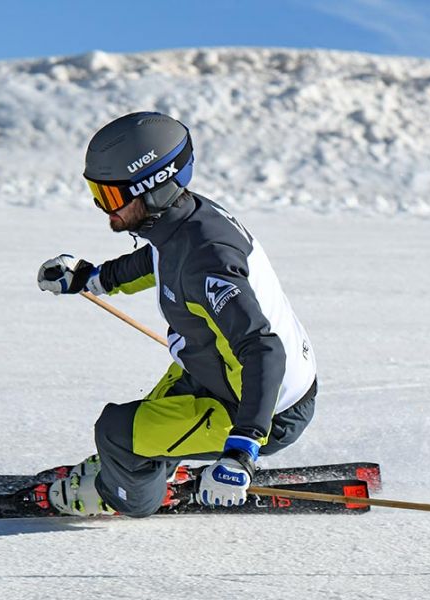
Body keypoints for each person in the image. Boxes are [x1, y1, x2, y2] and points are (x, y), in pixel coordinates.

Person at [37, 112, 317, 517]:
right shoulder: (182, 222)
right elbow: (158, 260)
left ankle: (119, 496)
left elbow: (263, 349)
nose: (104, 209)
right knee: (151, 412)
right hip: (219, 374)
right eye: (97, 194)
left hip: (260, 408)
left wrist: (242, 450)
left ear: (153, 189)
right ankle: (140, 465)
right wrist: (91, 279)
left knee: (116, 432)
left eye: (111, 198)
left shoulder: (208, 263)